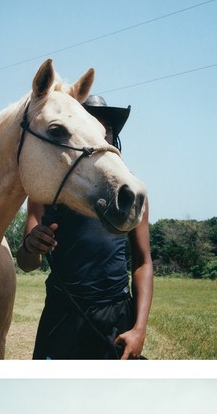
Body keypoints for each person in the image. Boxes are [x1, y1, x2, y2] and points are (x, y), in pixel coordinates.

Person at [16, 94, 154, 359]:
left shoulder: (131, 193)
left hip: (114, 315)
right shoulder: (46, 192)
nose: (99, 137)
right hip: (62, 313)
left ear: (114, 138)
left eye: (107, 131)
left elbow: (142, 262)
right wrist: (31, 244)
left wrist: (139, 328)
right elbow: (27, 262)